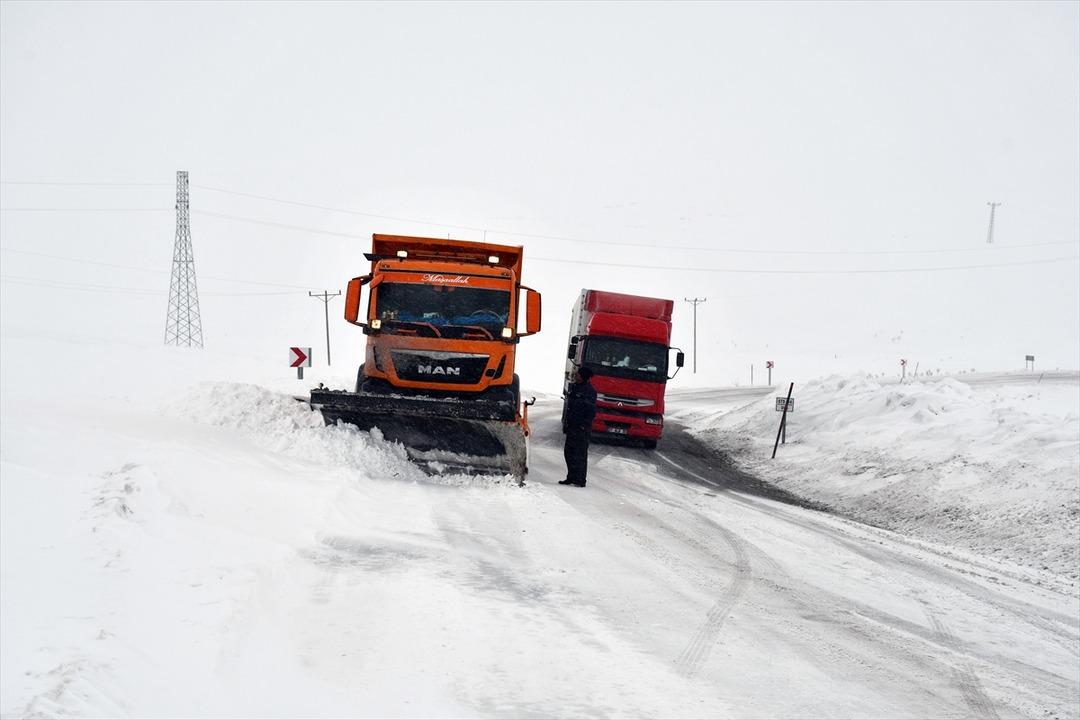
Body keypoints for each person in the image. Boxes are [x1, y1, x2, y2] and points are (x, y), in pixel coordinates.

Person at [560, 366, 597, 487]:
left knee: (580, 453)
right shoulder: (575, 388)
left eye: (578, 374)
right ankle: (571, 476)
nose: (576, 375)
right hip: (572, 425)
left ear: (583, 376)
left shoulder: (589, 391)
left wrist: (584, 425)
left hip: (581, 428)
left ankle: (580, 479)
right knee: (569, 452)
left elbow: (591, 411)